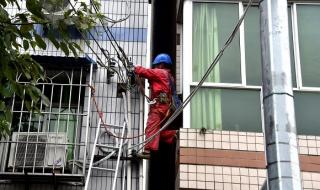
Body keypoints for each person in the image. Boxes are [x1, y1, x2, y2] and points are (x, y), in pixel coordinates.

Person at [133, 53, 177, 159]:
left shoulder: (160, 73)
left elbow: (145, 72)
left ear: (161, 65)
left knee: (151, 128)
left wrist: (136, 68)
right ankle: (173, 135)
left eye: (156, 65)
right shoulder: (169, 77)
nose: (155, 67)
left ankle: (148, 151)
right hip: (165, 107)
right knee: (157, 131)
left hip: (158, 107)